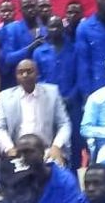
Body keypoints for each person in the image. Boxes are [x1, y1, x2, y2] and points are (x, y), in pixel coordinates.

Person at [0, 59, 71, 166]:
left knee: (58, 170)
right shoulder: (5, 97)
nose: (25, 75)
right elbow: (0, 129)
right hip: (18, 152)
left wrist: (56, 146)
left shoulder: (52, 93)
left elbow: (64, 124)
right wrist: (9, 149)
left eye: (29, 71)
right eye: (21, 72)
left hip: (47, 151)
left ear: (37, 74)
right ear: (16, 76)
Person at [33, 15, 82, 167]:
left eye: (58, 26)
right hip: (48, 105)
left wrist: (70, 97)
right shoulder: (39, 52)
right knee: (51, 142)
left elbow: (80, 77)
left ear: (63, 28)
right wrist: (53, 99)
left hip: (71, 104)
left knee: (74, 143)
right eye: (51, 26)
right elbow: (37, 80)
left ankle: (74, 174)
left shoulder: (74, 49)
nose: (54, 29)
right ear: (46, 29)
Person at [15, 134, 83, 203]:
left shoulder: (65, 179)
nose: (23, 157)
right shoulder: (21, 181)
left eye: (28, 152)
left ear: (42, 152)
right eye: (19, 154)